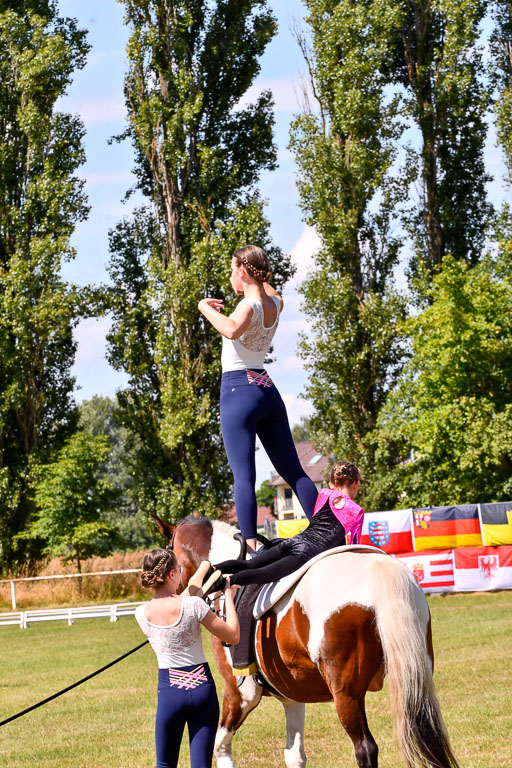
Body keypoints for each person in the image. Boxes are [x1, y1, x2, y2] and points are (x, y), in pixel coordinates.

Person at [198, 244, 318, 553]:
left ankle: (250, 549)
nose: (230, 277)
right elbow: (266, 286)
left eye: (232, 270)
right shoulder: (275, 303)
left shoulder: (248, 306)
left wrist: (204, 307)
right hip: (266, 388)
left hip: (238, 390)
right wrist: (255, 272)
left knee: (243, 476)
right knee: (295, 472)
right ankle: (327, 530)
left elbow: (231, 330)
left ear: (242, 271)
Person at [135, 548, 240, 768]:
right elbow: (233, 635)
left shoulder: (141, 613)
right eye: (179, 570)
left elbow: (175, 600)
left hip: (170, 692)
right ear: (172, 574)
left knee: (164, 764)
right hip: (202, 689)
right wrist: (229, 598)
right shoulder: (194, 605)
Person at [209, 461, 364, 588]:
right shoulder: (357, 511)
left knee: (250, 564)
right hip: (306, 554)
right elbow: (353, 548)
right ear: (356, 484)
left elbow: (317, 518)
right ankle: (221, 584)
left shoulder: (325, 493)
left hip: (295, 540)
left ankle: (210, 569)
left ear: (331, 483)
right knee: (265, 574)